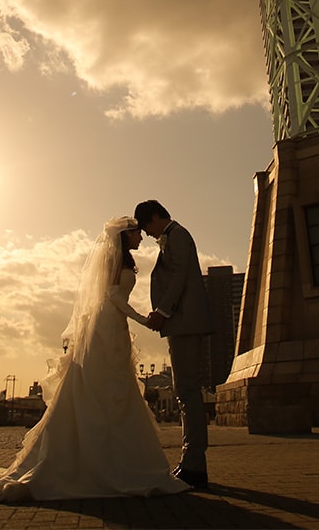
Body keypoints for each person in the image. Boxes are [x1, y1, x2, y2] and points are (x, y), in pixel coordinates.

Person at [0, 217, 189, 502]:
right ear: (126, 236)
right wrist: (143, 319)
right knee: (102, 388)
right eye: (136, 233)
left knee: (112, 388)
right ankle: (100, 463)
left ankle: (117, 460)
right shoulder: (116, 264)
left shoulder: (123, 262)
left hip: (114, 326)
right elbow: (112, 295)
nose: (141, 237)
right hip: (107, 326)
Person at [133, 199, 213, 489]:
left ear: (156, 216)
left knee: (187, 392)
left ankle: (194, 466)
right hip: (182, 323)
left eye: (147, 226)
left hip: (185, 322)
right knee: (185, 391)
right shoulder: (174, 235)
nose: (149, 234)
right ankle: (191, 462)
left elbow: (180, 276)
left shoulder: (177, 235)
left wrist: (162, 312)